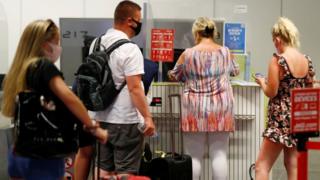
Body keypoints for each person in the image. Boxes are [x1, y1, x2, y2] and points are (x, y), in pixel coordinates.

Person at [0, 19, 108, 180]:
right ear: (45, 45)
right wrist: (92, 126)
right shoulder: (43, 66)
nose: (59, 48)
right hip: (44, 154)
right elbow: (69, 98)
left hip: (20, 152)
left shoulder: (22, 69)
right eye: (56, 42)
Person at [75, 1, 156, 179]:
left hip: (99, 117)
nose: (140, 24)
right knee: (125, 172)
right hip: (125, 121)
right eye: (139, 20)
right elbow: (135, 88)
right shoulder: (130, 49)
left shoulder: (95, 43)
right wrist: (148, 117)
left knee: (103, 171)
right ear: (130, 21)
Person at [168, 17, 240, 180]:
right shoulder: (225, 52)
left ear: (196, 33)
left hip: (194, 109)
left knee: (194, 156)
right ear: (213, 32)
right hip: (221, 108)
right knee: (219, 154)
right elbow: (236, 71)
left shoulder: (188, 54)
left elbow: (174, 75)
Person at [254, 17, 315, 180]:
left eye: (274, 39)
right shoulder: (306, 60)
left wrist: (261, 82)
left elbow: (271, 92)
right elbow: (308, 90)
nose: (274, 43)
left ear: (279, 38)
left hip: (279, 120)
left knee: (262, 166)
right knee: (292, 165)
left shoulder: (278, 61)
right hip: (298, 119)